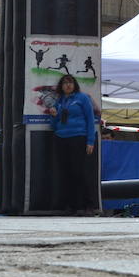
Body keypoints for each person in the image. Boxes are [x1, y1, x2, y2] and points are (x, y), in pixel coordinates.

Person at [44, 73, 98, 216]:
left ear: (74, 85)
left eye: (70, 82)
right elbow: (54, 125)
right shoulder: (60, 101)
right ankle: (72, 206)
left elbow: (90, 120)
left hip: (78, 138)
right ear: (61, 87)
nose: (68, 85)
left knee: (79, 173)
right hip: (61, 139)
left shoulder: (83, 98)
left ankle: (89, 205)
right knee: (66, 174)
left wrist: (90, 141)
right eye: (65, 83)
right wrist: (54, 116)